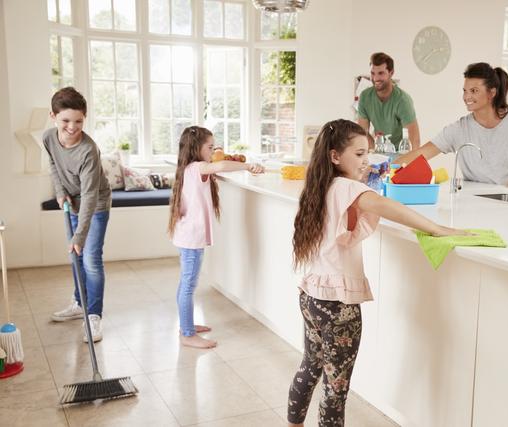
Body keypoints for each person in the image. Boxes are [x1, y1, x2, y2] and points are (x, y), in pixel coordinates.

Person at [286, 119, 466, 427]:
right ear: (334, 157)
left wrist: (363, 177)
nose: (366, 161)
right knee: (336, 388)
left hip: (312, 297)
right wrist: (435, 228)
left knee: (310, 366)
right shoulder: (348, 188)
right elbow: (385, 205)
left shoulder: (322, 184)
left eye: (367, 154)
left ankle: (293, 424)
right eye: (358, 154)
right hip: (339, 306)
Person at [168, 126, 264, 349]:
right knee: (188, 286)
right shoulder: (198, 167)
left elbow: (216, 165)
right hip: (191, 239)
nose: (213, 151)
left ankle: (187, 324)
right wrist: (249, 165)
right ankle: (187, 334)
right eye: (210, 147)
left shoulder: (189, 168)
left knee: (186, 283)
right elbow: (220, 165)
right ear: (196, 148)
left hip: (187, 236)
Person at [395, 62, 508, 186]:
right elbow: (422, 153)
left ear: (491, 93)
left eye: (474, 91)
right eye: (465, 90)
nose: (467, 96)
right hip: (474, 201)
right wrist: (384, 168)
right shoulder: (459, 129)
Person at [44, 87, 111, 343]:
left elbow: (91, 196)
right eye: (66, 121)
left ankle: (93, 316)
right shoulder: (49, 138)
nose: (73, 127)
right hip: (71, 201)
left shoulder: (88, 151)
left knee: (90, 258)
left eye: (79, 121)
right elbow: (53, 163)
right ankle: (79, 302)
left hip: (95, 204)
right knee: (75, 257)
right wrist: (60, 191)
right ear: (53, 116)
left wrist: (80, 235)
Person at [357, 52, 421, 151]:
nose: (375, 78)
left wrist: (405, 162)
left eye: (381, 73)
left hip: (402, 153)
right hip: (380, 150)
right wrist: (378, 150)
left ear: (391, 73)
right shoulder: (365, 98)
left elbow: (414, 141)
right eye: (373, 73)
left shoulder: (403, 100)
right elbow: (362, 133)